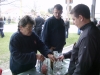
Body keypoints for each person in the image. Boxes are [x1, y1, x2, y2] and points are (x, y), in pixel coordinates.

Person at [58, 4, 100, 75]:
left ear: (81, 17)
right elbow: (80, 49)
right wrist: (65, 55)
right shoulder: (90, 30)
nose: (73, 22)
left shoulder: (88, 35)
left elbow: (83, 66)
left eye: (74, 19)